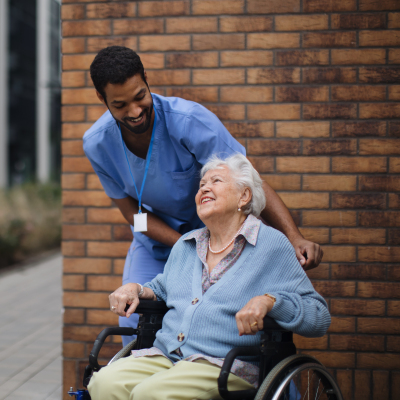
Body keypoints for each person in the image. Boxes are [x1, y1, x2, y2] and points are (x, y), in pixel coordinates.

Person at [83, 46, 323, 345]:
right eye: (119, 105)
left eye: (140, 96)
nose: (134, 111)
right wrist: (184, 247)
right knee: (133, 317)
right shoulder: (97, 144)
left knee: (227, 327)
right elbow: (134, 216)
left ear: (146, 79)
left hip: (220, 240)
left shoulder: (189, 121)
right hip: (156, 243)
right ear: (101, 98)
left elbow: (248, 181)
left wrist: (294, 236)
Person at [87, 154, 331, 400]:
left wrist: (269, 301)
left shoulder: (271, 245)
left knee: (150, 394)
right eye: (202, 184)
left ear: (244, 196)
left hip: (223, 365)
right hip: (166, 357)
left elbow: (318, 316)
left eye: (216, 181)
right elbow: (162, 289)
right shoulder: (187, 244)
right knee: (104, 383)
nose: (204, 187)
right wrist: (135, 289)